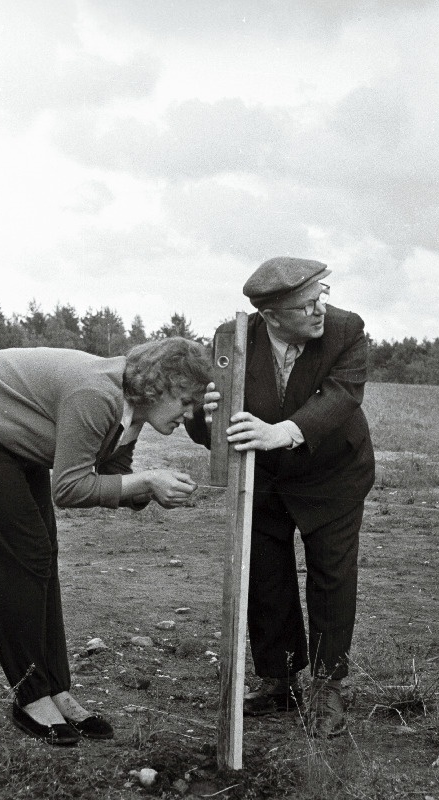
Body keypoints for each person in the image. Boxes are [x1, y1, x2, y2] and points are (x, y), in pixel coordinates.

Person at [0, 337, 211, 746]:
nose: (189, 415)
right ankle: (30, 697)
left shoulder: (133, 408)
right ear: (160, 387)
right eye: (186, 401)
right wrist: (147, 481)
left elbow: (112, 469)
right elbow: (68, 488)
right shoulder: (97, 395)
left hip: (13, 431)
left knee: (42, 553)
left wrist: (148, 491)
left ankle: (55, 689)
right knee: (21, 555)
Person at [186, 257, 375, 737]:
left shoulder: (346, 330)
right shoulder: (232, 338)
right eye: (308, 303)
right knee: (265, 575)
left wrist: (284, 431)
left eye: (322, 296)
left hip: (333, 475)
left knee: (331, 575)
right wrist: (205, 417)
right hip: (264, 478)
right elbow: (210, 422)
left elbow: (341, 397)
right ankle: (279, 681)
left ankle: (328, 685)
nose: (320, 309)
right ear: (271, 315)